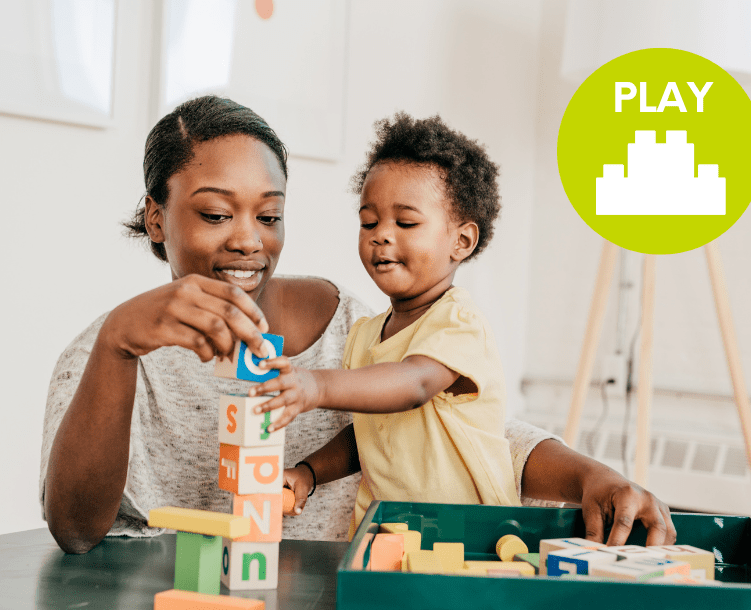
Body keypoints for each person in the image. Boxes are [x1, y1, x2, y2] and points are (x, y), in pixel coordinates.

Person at [40, 95, 675, 555]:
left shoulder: (358, 324)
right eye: (213, 214)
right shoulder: (107, 351)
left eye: (269, 216)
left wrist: (595, 475)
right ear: (157, 219)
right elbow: (73, 531)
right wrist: (117, 347)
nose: (246, 241)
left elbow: (470, 433)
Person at [248, 113, 519, 534]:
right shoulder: (366, 335)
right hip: (386, 535)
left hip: (470, 537)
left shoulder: (458, 323)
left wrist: (316, 386)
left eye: (406, 223)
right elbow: (369, 437)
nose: (381, 235)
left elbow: (413, 385)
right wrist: (309, 472)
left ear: (461, 241)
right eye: (369, 222)